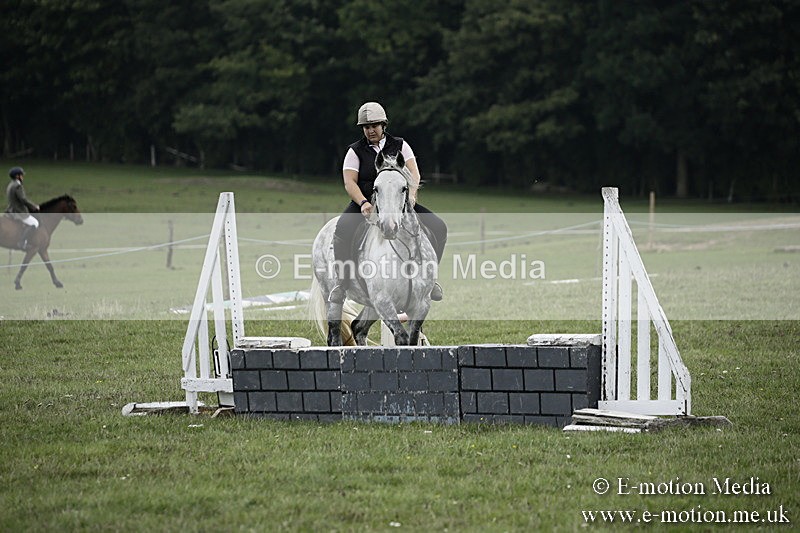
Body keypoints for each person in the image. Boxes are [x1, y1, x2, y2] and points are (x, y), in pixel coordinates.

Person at [329, 101, 447, 304]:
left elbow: (414, 173)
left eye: (374, 125)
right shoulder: (354, 151)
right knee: (342, 230)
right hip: (366, 204)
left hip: (399, 203)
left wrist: (410, 197)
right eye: (366, 127)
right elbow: (350, 182)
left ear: (384, 125)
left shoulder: (401, 145)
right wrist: (363, 202)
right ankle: (342, 283)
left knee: (439, 226)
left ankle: (431, 279)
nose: (370, 130)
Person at [5, 166, 40, 250]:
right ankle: (22, 242)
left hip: (10, 210)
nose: (22, 177)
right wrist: (34, 206)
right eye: (21, 175)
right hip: (18, 211)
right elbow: (23, 199)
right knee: (35, 223)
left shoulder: (10, 184)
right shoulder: (18, 186)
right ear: (17, 176)